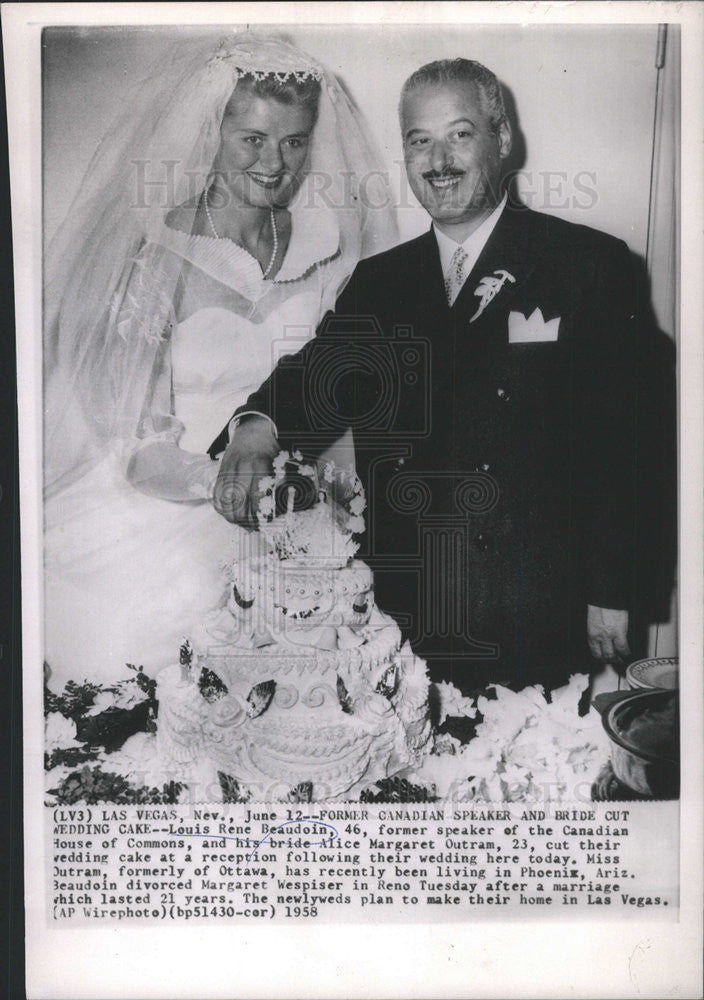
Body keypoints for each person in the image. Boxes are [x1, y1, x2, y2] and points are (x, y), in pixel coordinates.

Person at [212, 57, 646, 694]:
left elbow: (626, 442)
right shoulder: (382, 281)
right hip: (401, 618)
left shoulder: (588, 265)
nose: (438, 159)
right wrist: (254, 430)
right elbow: (316, 377)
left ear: (502, 140)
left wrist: (614, 587)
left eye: (460, 134)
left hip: (531, 611)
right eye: (420, 140)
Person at [43, 33, 396, 690]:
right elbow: (139, 447)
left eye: (294, 141)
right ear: (212, 132)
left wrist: (327, 470)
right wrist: (243, 483)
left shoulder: (328, 249)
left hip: (306, 489)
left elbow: (351, 382)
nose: (275, 163)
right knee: (181, 620)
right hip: (179, 495)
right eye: (253, 140)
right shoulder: (157, 253)